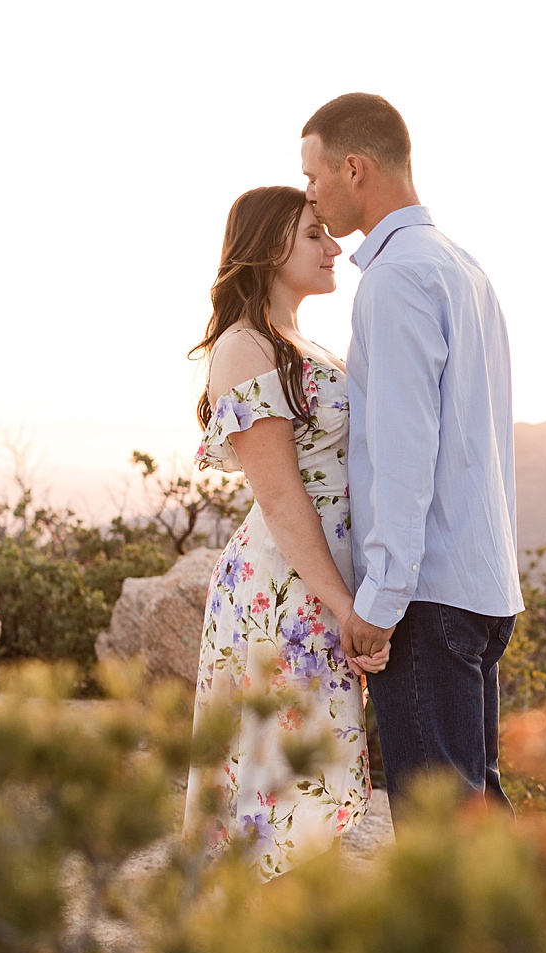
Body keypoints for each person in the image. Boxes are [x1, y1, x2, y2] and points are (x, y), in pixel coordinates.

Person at [300, 94, 525, 825]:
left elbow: (404, 451)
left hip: (427, 596)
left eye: (313, 175)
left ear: (353, 169)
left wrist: (380, 602)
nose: (311, 193)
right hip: (482, 584)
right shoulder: (462, 266)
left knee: (441, 839)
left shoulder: (396, 278)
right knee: (474, 815)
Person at [183, 185, 389, 881]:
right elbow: (278, 494)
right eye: (314, 235)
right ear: (271, 247)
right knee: (277, 770)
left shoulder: (307, 343)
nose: (334, 247)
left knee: (316, 759)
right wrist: (344, 605)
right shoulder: (243, 348)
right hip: (286, 587)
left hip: (321, 578)